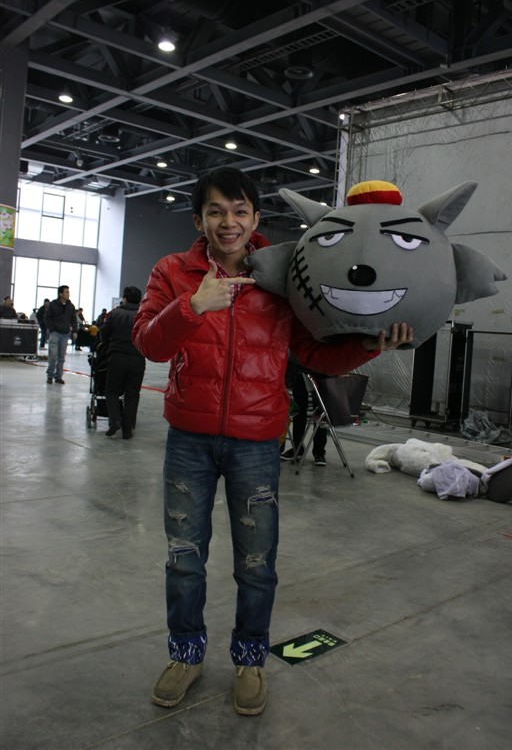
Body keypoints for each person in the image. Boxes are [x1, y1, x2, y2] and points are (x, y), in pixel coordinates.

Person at [132, 167, 413, 716]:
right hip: (189, 437)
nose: (228, 222)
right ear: (199, 220)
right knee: (184, 558)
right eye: (216, 211)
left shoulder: (281, 277)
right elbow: (148, 344)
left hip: (257, 440)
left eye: (239, 211)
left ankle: (250, 659)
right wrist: (193, 306)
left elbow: (316, 353)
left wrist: (370, 346)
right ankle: (186, 655)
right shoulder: (173, 271)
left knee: (256, 562)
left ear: (256, 218)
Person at [99, 286, 146, 440]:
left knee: (111, 390)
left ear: (124, 299)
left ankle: (115, 420)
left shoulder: (114, 314)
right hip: (137, 358)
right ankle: (127, 429)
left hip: (117, 357)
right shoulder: (144, 315)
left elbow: (104, 334)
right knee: (132, 394)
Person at [281, 360, 328, 465]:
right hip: (300, 367)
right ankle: (297, 448)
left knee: (320, 411)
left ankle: (319, 452)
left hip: (321, 368)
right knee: (299, 410)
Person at [44, 286, 77, 384]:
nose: (68, 294)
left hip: (65, 334)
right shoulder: (53, 304)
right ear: (60, 294)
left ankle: (58, 377)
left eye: (68, 292)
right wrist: (52, 329)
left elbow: (73, 319)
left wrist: (75, 331)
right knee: (53, 356)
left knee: (61, 358)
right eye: (66, 292)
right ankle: (50, 376)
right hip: (55, 333)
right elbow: (47, 317)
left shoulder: (71, 306)